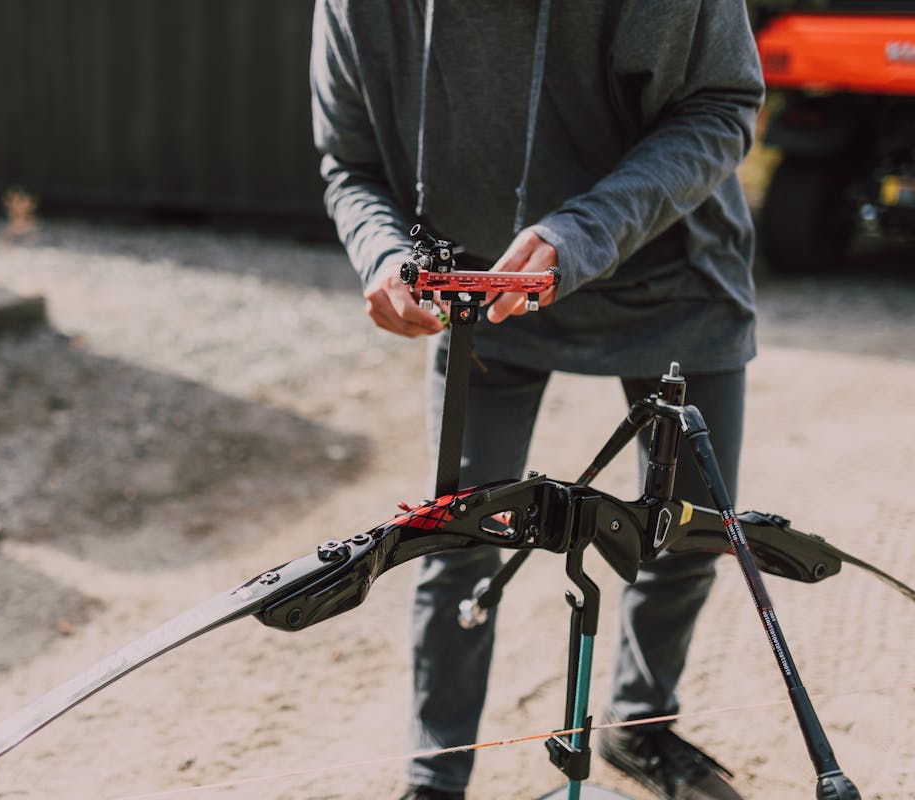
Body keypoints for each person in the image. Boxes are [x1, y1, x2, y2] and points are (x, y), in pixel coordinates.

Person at [310, 1, 765, 799]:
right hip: (480, 301)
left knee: (687, 534)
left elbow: (723, 106)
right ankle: (435, 780)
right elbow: (349, 161)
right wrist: (382, 253)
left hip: (675, 282)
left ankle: (640, 727)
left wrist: (582, 231)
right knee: (454, 537)